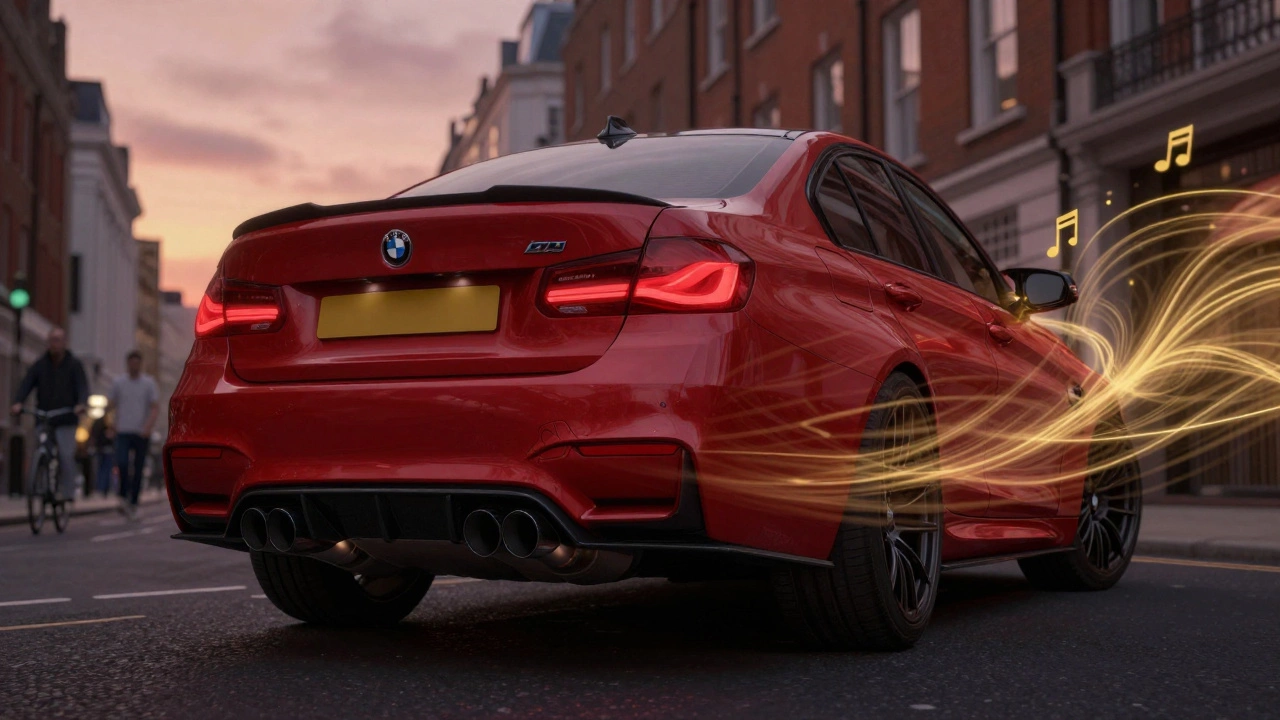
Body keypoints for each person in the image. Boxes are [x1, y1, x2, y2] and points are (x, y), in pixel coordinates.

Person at [10, 328, 89, 503]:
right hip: (44, 417)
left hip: (66, 418)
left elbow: (83, 388)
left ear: (65, 342)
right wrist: (18, 402)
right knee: (41, 448)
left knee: (66, 454)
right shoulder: (40, 364)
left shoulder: (74, 365)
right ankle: (43, 487)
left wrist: (80, 404)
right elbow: (26, 384)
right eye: (52, 340)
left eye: (58, 340)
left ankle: (68, 492)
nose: (55, 344)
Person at [107, 351, 158, 519]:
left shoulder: (148, 383)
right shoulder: (118, 382)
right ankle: (123, 495)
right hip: (122, 431)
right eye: (131, 363)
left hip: (141, 433)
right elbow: (110, 405)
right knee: (121, 463)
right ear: (127, 364)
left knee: (137, 468)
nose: (134, 366)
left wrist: (147, 427)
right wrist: (111, 425)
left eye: (137, 363)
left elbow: (154, 407)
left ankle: (133, 502)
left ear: (140, 364)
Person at [89, 413, 116, 495]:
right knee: (103, 469)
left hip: (104, 449)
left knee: (103, 469)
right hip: (103, 449)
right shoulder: (103, 423)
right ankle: (101, 488)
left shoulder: (107, 423)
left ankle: (102, 489)